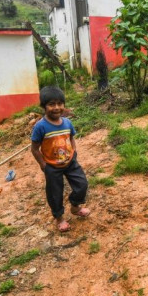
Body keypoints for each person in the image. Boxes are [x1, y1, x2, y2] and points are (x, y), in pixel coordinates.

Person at [31, 85, 90, 232]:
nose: (56, 107)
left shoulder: (67, 123)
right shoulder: (40, 127)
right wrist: (43, 165)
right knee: (55, 193)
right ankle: (59, 218)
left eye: (60, 104)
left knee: (82, 184)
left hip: (70, 162)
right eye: (51, 104)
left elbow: (71, 137)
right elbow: (34, 148)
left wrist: (74, 152)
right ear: (44, 106)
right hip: (51, 166)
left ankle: (75, 207)